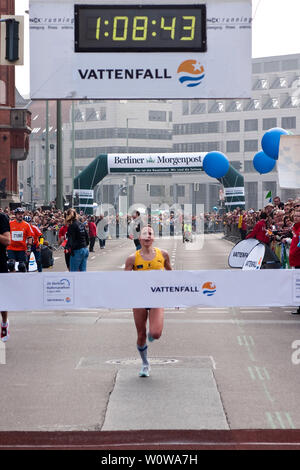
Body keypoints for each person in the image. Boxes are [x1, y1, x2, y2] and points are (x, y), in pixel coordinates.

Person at [124, 225, 172, 377]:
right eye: (144, 234)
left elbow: (173, 276)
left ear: (154, 238)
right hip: (139, 299)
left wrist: (178, 296)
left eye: (150, 234)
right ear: (140, 238)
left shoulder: (163, 254)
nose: (147, 236)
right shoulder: (132, 258)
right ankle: (145, 364)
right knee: (141, 335)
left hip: (157, 298)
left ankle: (152, 333)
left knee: (156, 333)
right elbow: (123, 281)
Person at [6, 207, 33, 272]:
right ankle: (13, 276)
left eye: (22, 214)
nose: (20, 215)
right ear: (15, 215)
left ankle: (22, 280)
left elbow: (30, 238)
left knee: (22, 266)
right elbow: (6, 235)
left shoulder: (26, 225)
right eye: (18, 214)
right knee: (10, 264)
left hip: (22, 249)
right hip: (11, 248)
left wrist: (29, 249)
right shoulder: (10, 224)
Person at [0, 211, 10, 341]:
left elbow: (8, 240)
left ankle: (4, 323)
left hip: (0, 263)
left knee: (2, 298)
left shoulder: (1, 218)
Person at [289, 200, 300, 314]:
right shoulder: (295, 228)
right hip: (296, 260)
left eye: (298, 216)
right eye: (295, 216)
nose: (296, 218)